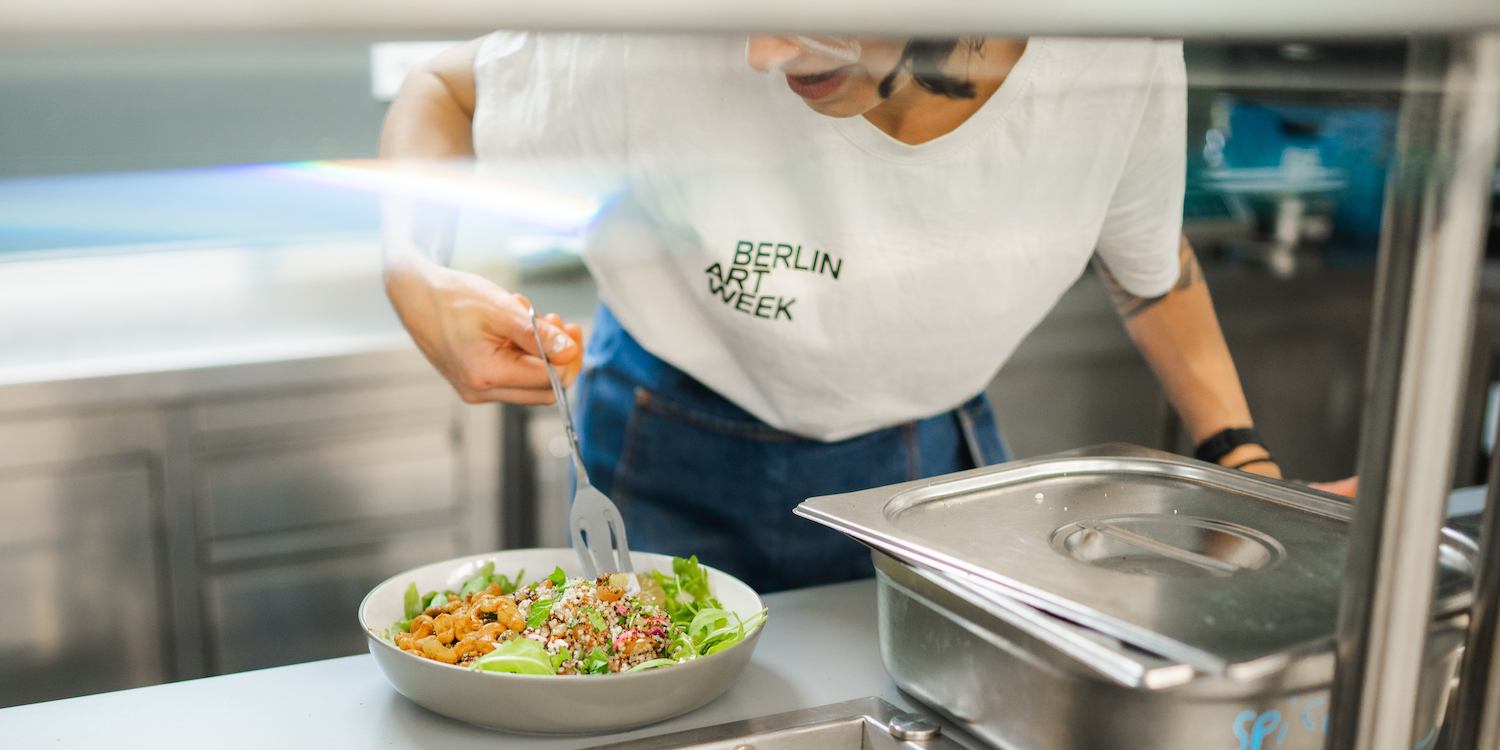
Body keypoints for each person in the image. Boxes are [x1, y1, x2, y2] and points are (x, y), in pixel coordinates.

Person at [381, 33, 1284, 593]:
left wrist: (1243, 464)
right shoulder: (656, 41)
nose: (762, 53)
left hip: (925, 468)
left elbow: (1147, 264)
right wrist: (412, 269)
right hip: (672, 436)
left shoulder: (1113, 55)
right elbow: (445, 88)